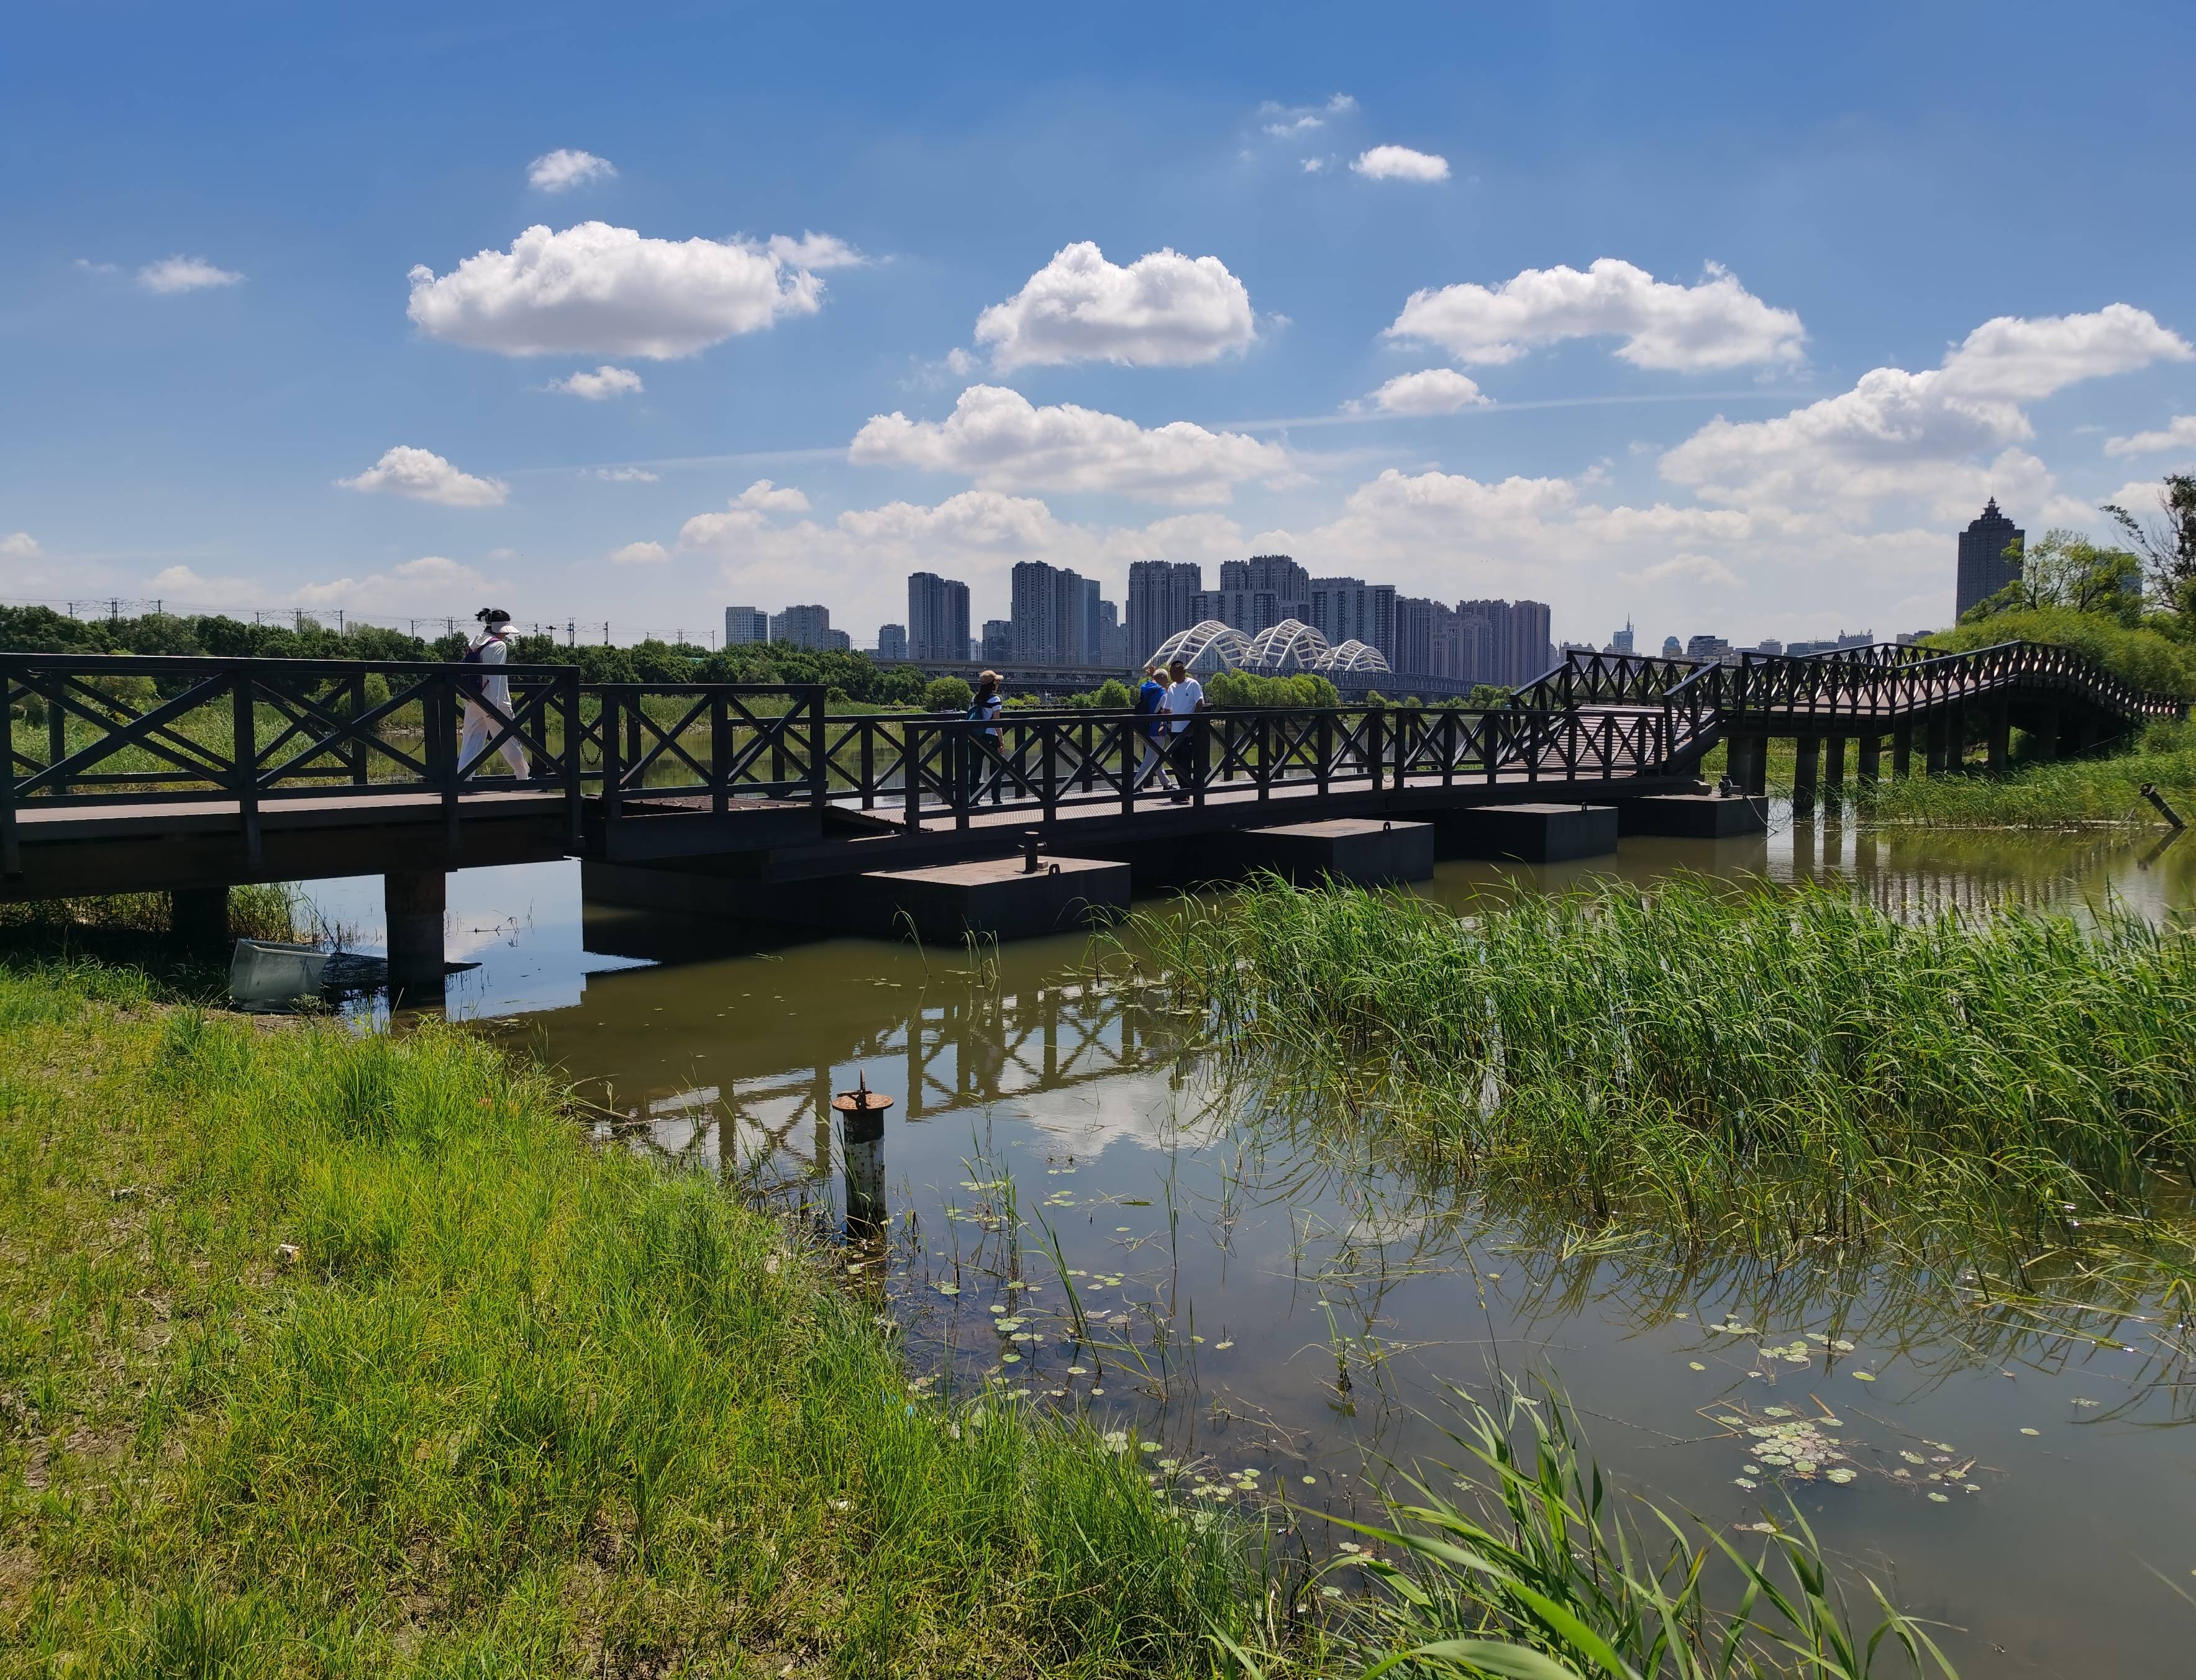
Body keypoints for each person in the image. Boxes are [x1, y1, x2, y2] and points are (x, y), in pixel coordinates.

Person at [457, 607, 531, 780]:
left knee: (471, 739)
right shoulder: (499, 646)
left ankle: (463, 779)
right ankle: (523, 778)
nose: (506, 636)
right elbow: (496, 677)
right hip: (493, 701)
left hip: (473, 698)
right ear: (500, 628)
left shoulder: (474, 642)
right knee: (508, 739)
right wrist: (495, 708)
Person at [1160, 658, 1205, 803]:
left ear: (1183, 671)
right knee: (1176, 762)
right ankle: (1184, 791)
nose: (1172, 674)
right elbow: (1167, 709)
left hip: (1188, 731)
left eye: (1175, 672)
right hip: (1175, 731)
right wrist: (1163, 724)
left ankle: (1186, 792)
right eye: (1171, 672)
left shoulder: (1193, 684)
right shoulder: (1172, 688)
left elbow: (1199, 702)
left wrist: (1194, 724)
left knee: (1186, 762)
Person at [964, 669, 1009, 803]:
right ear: (994, 684)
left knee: (975, 769)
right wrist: (1001, 741)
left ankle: (973, 800)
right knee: (996, 769)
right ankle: (996, 799)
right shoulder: (995, 699)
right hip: (990, 737)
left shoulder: (975, 698)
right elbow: (997, 723)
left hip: (974, 737)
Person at [1132, 662, 1175, 793]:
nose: (1167, 682)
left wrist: (1152, 676)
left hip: (1145, 728)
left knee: (1156, 758)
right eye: (1166, 679)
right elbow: (1168, 710)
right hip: (1157, 730)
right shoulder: (1162, 692)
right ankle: (1135, 784)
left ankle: (1166, 784)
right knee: (1149, 760)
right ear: (1162, 679)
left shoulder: (1146, 687)